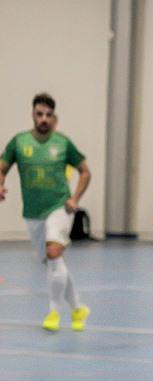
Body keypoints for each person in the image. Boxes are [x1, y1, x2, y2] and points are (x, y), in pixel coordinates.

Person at [0, 93, 91, 331]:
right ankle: (78, 308)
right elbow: (2, 167)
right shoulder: (19, 143)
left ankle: (53, 312)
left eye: (48, 115)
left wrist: (75, 198)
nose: (43, 119)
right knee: (53, 261)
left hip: (59, 207)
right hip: (32, 212)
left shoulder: (63, 143)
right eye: (39, 114)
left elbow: (85, 172)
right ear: (33, 114)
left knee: (53, 252)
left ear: (54, 118)